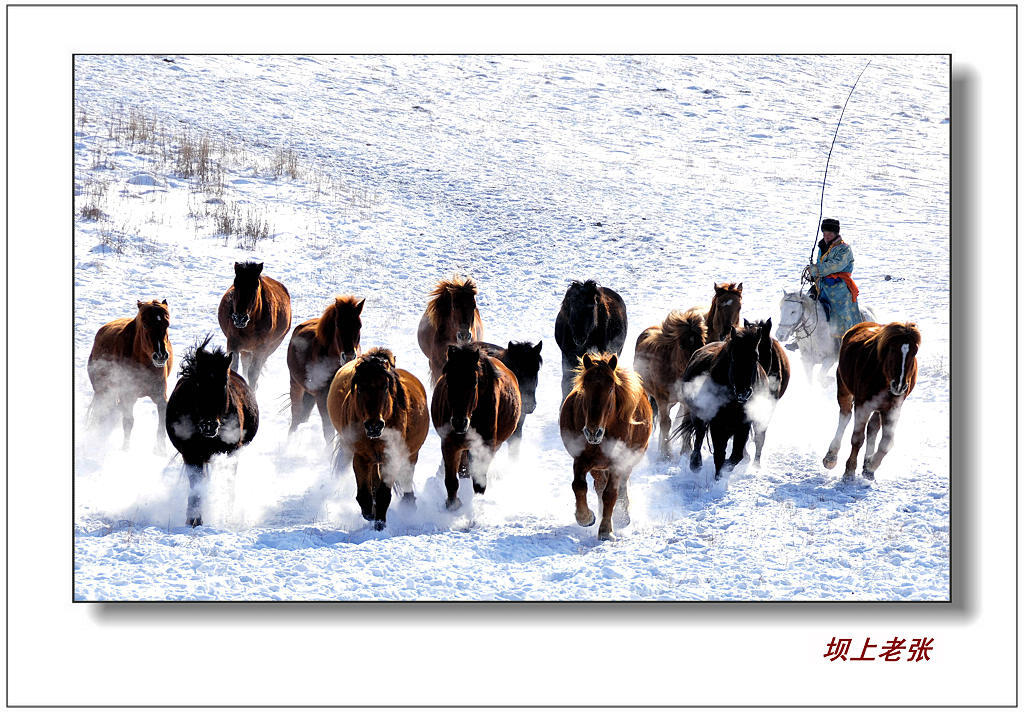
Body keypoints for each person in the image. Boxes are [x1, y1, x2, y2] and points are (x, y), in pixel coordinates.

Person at [801, 218, 863, 346]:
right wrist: (814, 275)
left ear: (836, 234)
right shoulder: (822, 247)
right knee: (805, 303)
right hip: (822, 285)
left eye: (830, 234)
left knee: (839, 310)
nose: (827, 237)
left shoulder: (844, 249)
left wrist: (816, 270)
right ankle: (803, 337)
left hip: (839, 286)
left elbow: (834, 266)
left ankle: (843, 338)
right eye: (824, 234)